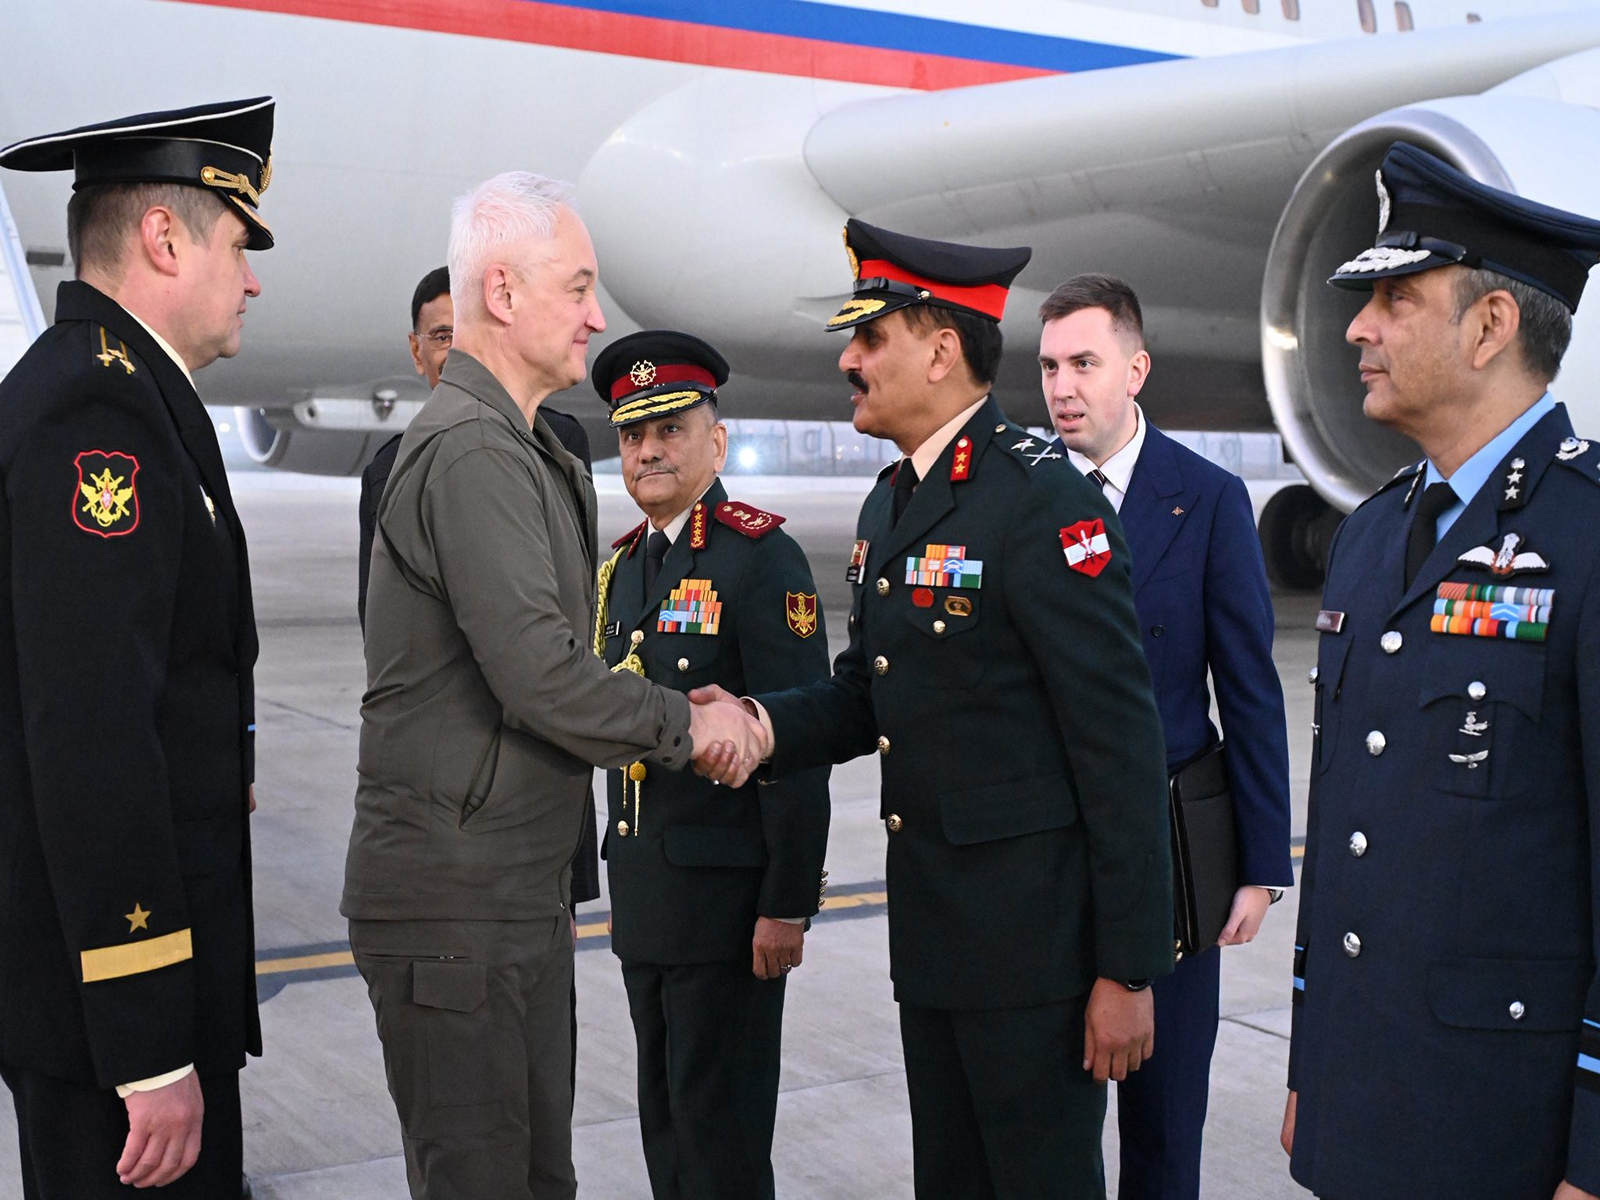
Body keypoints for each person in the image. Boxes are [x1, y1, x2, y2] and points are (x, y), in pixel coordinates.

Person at [695, 219, 1174, 1199]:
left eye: (869, 339)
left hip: (1039, 965)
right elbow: (865, 695)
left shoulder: (1044, 502)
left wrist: (1127, 972)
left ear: (941, 348)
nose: (848, 359)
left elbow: (1119, 750)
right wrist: (762, 722)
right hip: (938, 947)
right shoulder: (890, 504)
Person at [341, 171, 761, 1200]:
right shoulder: (474, 452)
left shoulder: (523, 449)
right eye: (576, 287)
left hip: (507, 888)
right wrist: (686, 724)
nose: (595, 315)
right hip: (456, 903)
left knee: (536, 1181)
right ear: (501, 292)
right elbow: (539, 675)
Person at [1282, 142, 1600, 1200]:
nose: (1357, 328)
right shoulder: (1372, 536)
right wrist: (1307, 1063)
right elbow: (1341, 824)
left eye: (1395, 299)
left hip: (1501, 1122)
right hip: (1360, 1091)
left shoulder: (1588, 538)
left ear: (1490, 327)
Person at [0, 98, 274, 1198]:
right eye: (237, 242)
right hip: (114, 1033)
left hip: (115, 1014)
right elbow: (95, 742)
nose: (250, 277)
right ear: (166, 241)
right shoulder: (97, 421)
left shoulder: (112, 391)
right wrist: (149, 1044)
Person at [1037, 274, 1293, 1199]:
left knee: (1164, 1125)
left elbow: (1250, 692)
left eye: (1085, 364)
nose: (1063, 388)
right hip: (1049, 844)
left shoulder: (1209, 497)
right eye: (1050, 367)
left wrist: (1260, 864)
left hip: (1177, 854)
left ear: (1136, 369)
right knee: (1047, 1126)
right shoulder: (1021, 497)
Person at [592, 329, 831, 1199]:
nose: (648, 450)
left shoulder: (761, 558)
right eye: (630, 434)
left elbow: (801, 744)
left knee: (721, 1145)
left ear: (716, 441)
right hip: (649, 902)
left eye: (670, 429)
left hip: (729, 912)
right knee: (666, 1131)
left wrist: (787, 904)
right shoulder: (621, 568)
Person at [357, 266, 593, 631]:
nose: (459, 351)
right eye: (441, 336)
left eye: (469, 333)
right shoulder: (388, 471)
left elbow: (581, 590)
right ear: (416, 352)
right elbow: (381, 622)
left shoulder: (561, 442)